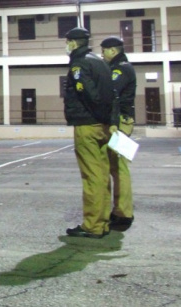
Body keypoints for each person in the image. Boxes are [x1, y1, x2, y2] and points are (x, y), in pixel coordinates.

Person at [63, 27, 115, 238]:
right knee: (102, 175)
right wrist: (106, 118)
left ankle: (92, 225)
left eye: (68, 42)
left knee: (91, 176)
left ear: (74, 43)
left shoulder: (79, 63)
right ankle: (102, 222)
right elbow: (112, 95)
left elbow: (89, 94)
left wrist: (94, 115)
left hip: (87, 125)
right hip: (103, 126)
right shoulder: (99, 61)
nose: (66, 46)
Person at [101, 36, 137, 231]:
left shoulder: (120, 68)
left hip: (120, 122)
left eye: (104, 51)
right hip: (121, 120)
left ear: (113, 51)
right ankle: (120, 210)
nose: (102, 54)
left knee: (119, 168)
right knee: (116, 168)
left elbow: (111, 91)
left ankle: (123, 214)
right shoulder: (121, 66)